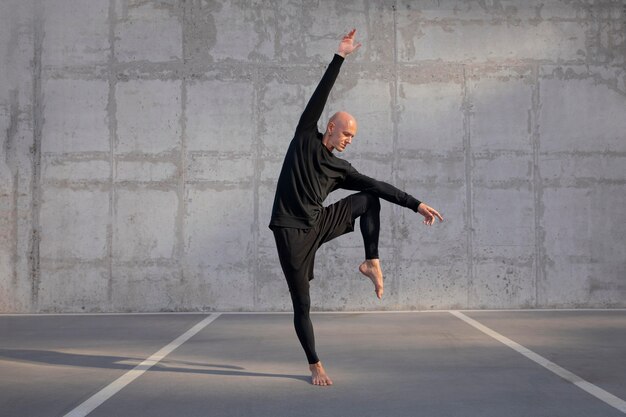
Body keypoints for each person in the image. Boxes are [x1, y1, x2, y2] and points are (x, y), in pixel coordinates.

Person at [268, 29, 443, 386]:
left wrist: (416, 204)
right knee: (302, 304)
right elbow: (321, 93)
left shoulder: (340, 169)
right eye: (346, 134)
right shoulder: (304, 136)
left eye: (353, 138)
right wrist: (340, 55)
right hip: (289, 231)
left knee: (369, 197)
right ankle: (315, 363)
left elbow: (377, 185)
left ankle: (371, 261)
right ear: (330, 128)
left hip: (318, 221)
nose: (349, 140)